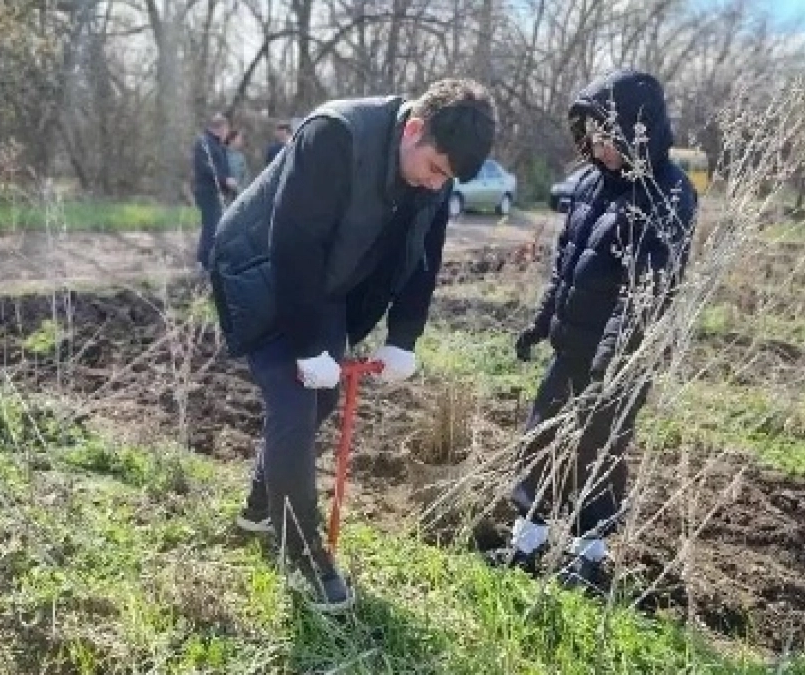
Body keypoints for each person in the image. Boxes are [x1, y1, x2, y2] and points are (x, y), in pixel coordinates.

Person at [206, 79, 496, 613]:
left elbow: (425, 254)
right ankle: (302, 556)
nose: (436, 185)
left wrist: (404, 336)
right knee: (294, 402)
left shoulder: (431, 178)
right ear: (414, 129)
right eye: (434, 168)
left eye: (446, 179)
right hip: (260, 270)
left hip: (325, 282)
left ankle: (258, 508)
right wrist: (306, 344)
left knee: (322, 399)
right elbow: (293, 242)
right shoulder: (335, 135)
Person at [487, 69, 698, 591]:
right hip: (570, 348)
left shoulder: (669, 193)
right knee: (541, 438)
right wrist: (542, 322)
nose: (598, 147)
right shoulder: (587, 184)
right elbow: (566, 266)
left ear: (638, 131)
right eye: (592, 136)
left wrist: (612, 362)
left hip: (619, 361)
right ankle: (527, 541)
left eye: (609, 137)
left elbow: (647, 289)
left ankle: (588, 556)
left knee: (598, 452)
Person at [193, 114, 239, 270]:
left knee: (217, 226)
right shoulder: (204, 143)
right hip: (208, 191)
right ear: (220, 128)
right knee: (211, 226)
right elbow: (206, 168)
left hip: (218, 191)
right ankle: (204, 262)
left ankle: (212, 260)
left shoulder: (217, 145)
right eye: (226, 130)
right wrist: (224, 180)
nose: (227, 134)